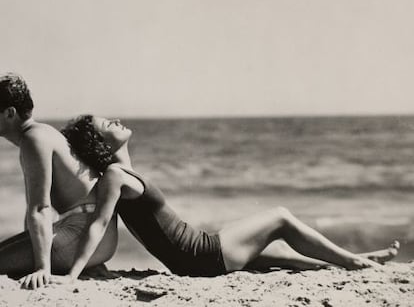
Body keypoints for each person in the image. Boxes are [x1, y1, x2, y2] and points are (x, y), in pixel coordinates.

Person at [52, 114, 399, 282]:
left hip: (196, 253)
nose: (115, 120)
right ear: (102, 144)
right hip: (200, 256)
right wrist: (72, 275)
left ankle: (347, 262)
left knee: (276, 252)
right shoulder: (114, 176)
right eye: (106, 124)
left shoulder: (121, 173)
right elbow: (97, 226)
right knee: (279, 216)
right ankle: (354, 263)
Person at [0, 74, 118, 289]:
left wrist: (41, 268)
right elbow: (33, 211)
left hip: (81, 235)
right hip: (95, 240)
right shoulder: (43, 133)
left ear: (10, 113)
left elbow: (40, 208)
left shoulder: (33, 139)